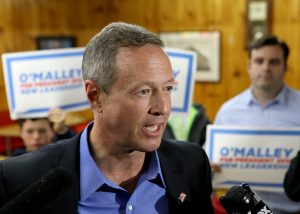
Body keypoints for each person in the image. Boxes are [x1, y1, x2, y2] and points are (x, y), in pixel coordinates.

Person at [0, 22, 213, 213]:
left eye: (167, 88)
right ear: (95, 96)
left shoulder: (192, 164)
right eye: (144, 91)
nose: (163, 108)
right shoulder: (18, 178)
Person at [213, 35, 300, 213]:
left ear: (285, 67)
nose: (266, 68)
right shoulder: (228, 111)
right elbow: (209, 161)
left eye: (274, 62)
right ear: (249, 66)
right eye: (259, 61)